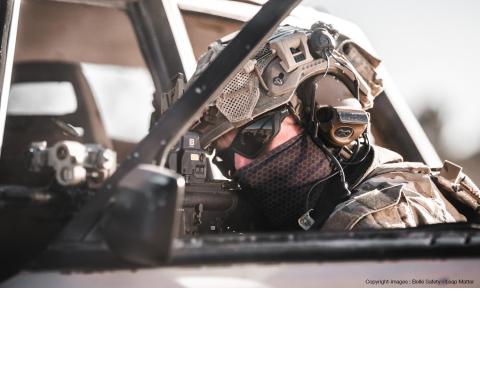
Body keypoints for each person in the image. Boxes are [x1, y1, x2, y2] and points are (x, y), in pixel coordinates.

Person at [188, 22, 468, 232]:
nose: (239, 165)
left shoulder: (373, 223)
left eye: (254, 137)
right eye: (224, 155)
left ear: (331, 122)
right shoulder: (316, 216)